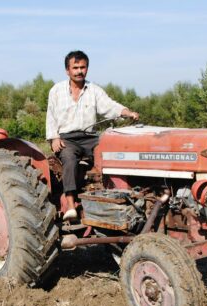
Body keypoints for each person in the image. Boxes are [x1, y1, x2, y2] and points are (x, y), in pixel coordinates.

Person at [46, 50, 139, 220]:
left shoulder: (94, 90)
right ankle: (71, 204)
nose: (79, 71)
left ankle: (116, 194)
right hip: (67, 138)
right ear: (67, 70)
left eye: (83, 67)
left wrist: (127, 112)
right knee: (68, 158)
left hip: (90, 137)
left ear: (87, 69)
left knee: (111, 150)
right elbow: (50, 116)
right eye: (75, 67)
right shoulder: (56, 90)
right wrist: (53, 138)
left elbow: (109, 106)